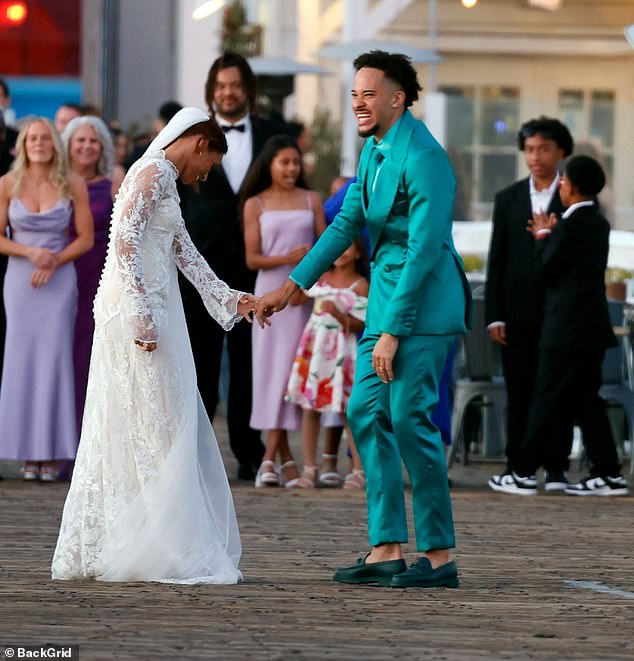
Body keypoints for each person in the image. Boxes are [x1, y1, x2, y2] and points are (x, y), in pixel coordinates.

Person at [255, 51, 471, 588]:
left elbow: (424, 252)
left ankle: (440, 557)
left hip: (422, 307)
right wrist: (292, 286)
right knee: (364, 410)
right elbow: (344, 224)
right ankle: (387, 547)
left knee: (409, 418)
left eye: (368, 93)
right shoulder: (374, 151)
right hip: (388, 300)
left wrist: (393, 332)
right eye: (354, 94)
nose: (358, 102)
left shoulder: (425, 157)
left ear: (398, 98)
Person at [52, 108, 257, 583]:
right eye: (209, 165)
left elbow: (182, 250)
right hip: (137, 315)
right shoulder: (151, 174)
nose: (205, 175)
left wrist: (229, 297)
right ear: (199, 144)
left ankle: (147, 535)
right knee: (151, 421)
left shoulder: (163, 177)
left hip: (153, 309)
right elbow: (123, 243)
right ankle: (151, 540)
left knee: (152, 420)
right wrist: (144, 312)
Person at [490, 156, 628, 497]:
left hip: (565, 329)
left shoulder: (570, 224)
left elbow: (547, 270)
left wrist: (541, 236)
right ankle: (608, 472)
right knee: (586, 400)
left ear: (573, 186)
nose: (560, 187)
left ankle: (522, 471)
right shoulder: (597, 222)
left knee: (545, 396)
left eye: (564, 182)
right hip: (591, 328)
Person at [179, 51, 288, 481]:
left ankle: (249, 451)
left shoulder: (272, 133)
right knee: (200, 364)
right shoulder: (192, 134)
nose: (228, 92)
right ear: (212, 91)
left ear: (247, 90)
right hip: (200, 270)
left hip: (255, 270)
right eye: (221, 86)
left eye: (235, 85)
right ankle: (199, 455)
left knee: (249, 366)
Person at [0, 117, 93, 481]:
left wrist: (54, 258)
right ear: (22, 144)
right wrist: (29, 252)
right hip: (22, 281)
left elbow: (84, 238)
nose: (38, 143)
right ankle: (26, 453)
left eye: (44, 138)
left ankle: (52, 452)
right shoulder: (7, 183)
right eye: (32, 138)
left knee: (55, 362)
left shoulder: (72, 184)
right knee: (20, 361)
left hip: (59, 280)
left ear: (54, 143)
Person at [486, 116, 574, 492]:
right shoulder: (508, 198)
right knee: (519, 390)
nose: (536, 157)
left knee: (556, 390)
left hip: (558, 314)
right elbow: (497, 259)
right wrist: (494, 316)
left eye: (544, 149)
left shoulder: (574, 198)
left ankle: (555, 467)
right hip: (517, 314)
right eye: (530, 149)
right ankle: (517, 464)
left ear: (561, 152)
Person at [242, 134, 326, 487]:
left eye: (296, 162)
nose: (291, 168)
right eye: (284, 162)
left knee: (296, 372)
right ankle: (281, 458)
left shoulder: (312, 200)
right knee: (271, 373)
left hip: (303, 296)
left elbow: (326, 249)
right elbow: (252, 257)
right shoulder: (255, 204)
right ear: (270, 165)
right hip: (270, 294)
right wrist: (288, 258)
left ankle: (270, 459)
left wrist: (312, 286)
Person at [286, 238, 369, 489]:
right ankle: (309, 469)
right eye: (338, 247)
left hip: (343, 352)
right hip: (316, 350)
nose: (342, 252)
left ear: (358, 253)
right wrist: (304, 267)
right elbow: (296, 299)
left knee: (348, 409)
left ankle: (358, 470)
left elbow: (362, 324)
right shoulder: (320, 278)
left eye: (348, 248)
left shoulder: (361, 285)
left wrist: (338, 313)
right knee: (310, 407)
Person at [62, 116, 124, 435]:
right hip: (61, 274)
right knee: (63, 353)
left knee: (93, 352)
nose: (87, 146)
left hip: (101, 274)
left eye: (94, 140)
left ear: (103, 146)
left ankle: (94, 437)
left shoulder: (114, 180)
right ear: (68, 145)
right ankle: (63, 436)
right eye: (80, 140)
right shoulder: (55, 181)